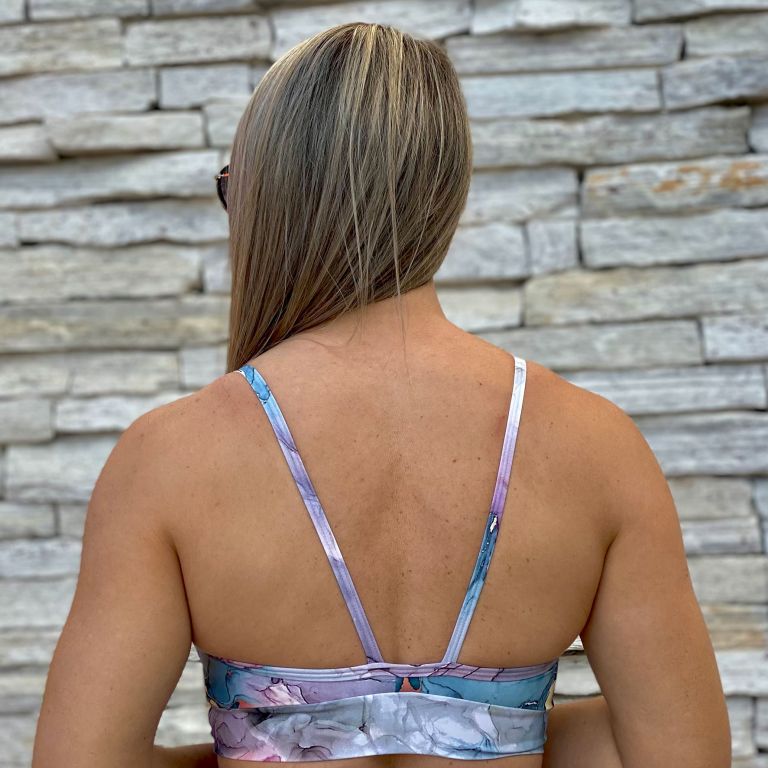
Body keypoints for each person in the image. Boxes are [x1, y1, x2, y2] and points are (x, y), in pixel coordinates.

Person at [32, 21, 731, 768]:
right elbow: (680, 756)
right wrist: (495, 728)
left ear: (271, 199)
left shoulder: (169, 459)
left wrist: (266, 735)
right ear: (444, 196)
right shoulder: (596, 447)